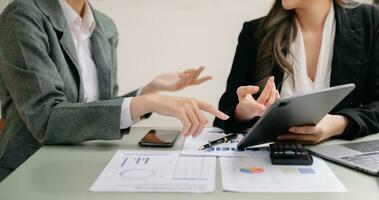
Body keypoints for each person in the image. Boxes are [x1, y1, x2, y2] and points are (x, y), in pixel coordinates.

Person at [0, 0, 229, 181]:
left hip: (84, 164)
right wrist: (150, 102)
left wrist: (148, 91)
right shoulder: (22, 16)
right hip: (30, 169)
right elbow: (46, 118)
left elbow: (98, 110)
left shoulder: (104, 25)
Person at [214, 0, 379, 144]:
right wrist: (243, 112)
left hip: (340, 164)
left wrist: (338, 124)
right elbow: (223, 114)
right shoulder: (255, 32)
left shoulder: (367, 20)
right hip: (271, 162)